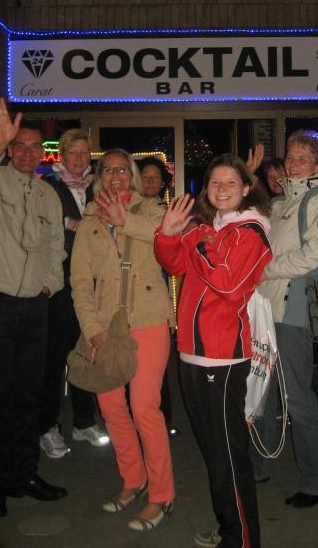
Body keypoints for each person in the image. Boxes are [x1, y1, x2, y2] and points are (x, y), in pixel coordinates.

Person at [0, 96, 67, 518]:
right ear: (9, 148)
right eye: (18, 146)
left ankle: (24, 474)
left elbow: (56, 248)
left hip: (33, 308)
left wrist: (49, 285)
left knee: (28, 396)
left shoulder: (47, 195)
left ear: (42, 154)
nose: (26, 153)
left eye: (33, 147)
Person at [154, 154, 272, 548]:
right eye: (214, 182)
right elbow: (175, 265)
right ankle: (230, 530)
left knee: (228, 456)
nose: (221, 189)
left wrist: (195, 238)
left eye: (230, 182)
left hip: (221, 358)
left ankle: (242, 539)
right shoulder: (211, 228)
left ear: (246, 188)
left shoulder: (251, 232)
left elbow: (227, 283)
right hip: (191, 352)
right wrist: (168, 233)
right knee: (213, 452)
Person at [71, 148, 175, 531]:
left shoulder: (152, 210)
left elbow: (168, 241)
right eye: (108, 169)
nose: (115, 175)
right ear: (100, 177)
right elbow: (80, 280)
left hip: (148, 318)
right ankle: (134, 479)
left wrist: (125, 221)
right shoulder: (89, 219)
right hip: (106, 326)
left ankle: (162, 494)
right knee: (111, 405)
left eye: (122, 169)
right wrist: (91, 328)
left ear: (131, 174)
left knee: (144, 406)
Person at [252, 131, 318, 508]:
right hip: (267, 309)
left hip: (294, 309)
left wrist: (266, 269)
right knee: (262, 392)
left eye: (303, 158)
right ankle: (258, 464)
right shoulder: (282, 201)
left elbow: (316, 256)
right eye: (290, 156)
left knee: (298, 397)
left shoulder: (317, 200)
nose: (294, 163)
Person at [39, 128, 109, 458]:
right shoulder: (48, 186)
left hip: (93, 286)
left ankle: (84, 421)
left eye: (84, 152)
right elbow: (36, 223)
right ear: (62, 155)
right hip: (61, 284)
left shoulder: (99, 187)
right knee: (54, 358)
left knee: (86, 354)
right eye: (73, 152)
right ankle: (46, 425)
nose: (79, 158)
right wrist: (68, 223)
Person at [135, 155, 181, 439]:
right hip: (129, 296)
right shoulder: (127, 209)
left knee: (156, 365)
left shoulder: (167, 213)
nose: (151, 182)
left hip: (157, 294)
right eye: (145, 176)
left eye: (156, 177)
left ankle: (163, 420)